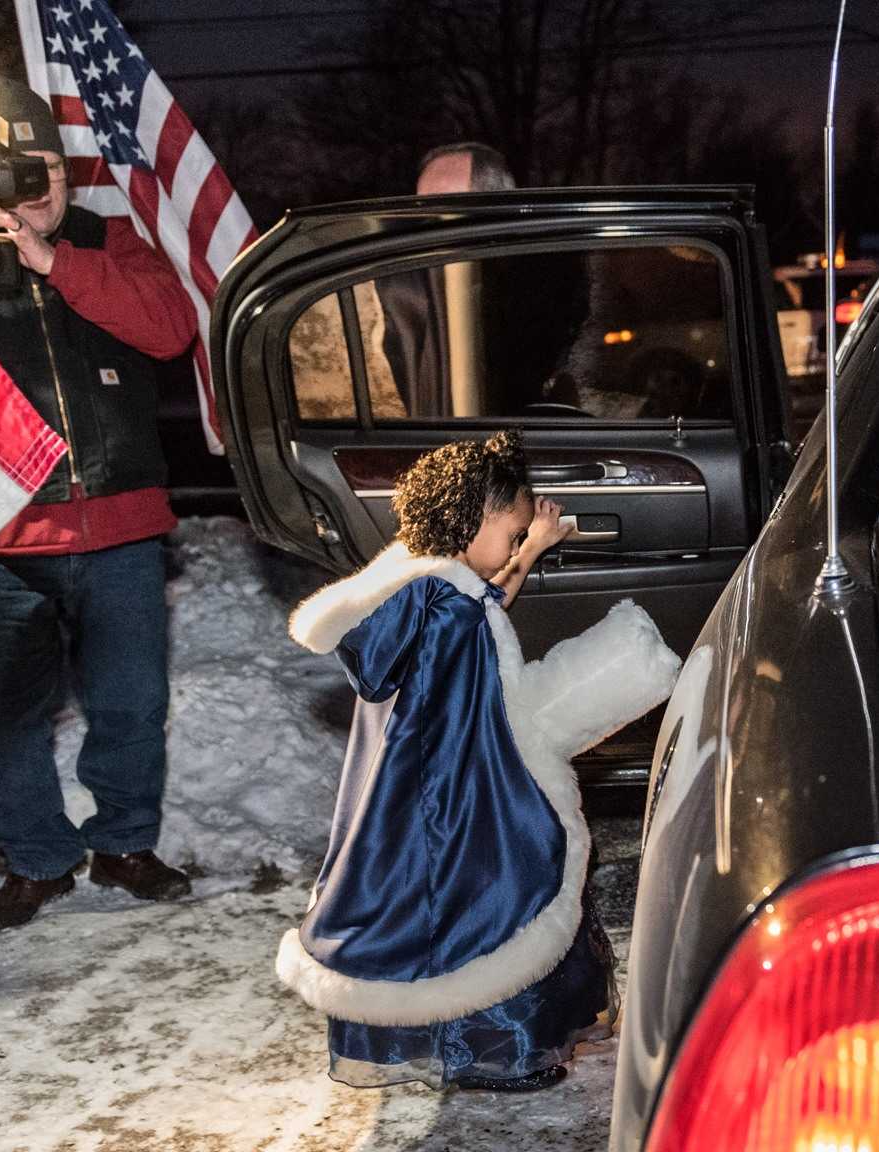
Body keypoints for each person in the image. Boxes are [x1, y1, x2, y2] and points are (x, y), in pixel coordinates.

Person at [277, 434, 680, 1091]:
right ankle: (491, 1053)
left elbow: (482, 599)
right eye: (513, 527)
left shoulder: (421, 578)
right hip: (448, 793)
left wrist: (527, 549)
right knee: (494, 900)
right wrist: (519, 774)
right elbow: (467, 694)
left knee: (439, 914)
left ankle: (477, 1045)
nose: (515, 539)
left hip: (412, 790)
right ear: (478, 515)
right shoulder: (445, 606)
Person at [0, 77, 198, 934]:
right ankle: (35, 858)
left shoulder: (110, 241)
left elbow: (170, 328)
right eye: (15, 174)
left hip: (123, 525)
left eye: (48, 171)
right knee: (3, 713)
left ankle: (125, 843)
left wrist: (53, 260)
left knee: (130, 701)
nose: (37, 190)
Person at [380, 142, 518, 417]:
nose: (427, 226)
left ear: (497, 211)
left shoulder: (531, 290)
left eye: (446, 210)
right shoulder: (403, 289)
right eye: (420, 210)